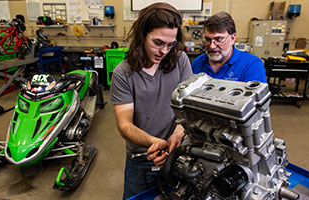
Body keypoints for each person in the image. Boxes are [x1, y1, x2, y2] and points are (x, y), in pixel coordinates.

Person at [110, 3, 193, 199]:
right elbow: (124, 125)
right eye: (157, 42)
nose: (164, 50)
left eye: (170, 44)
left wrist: (179, 132)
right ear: (142, 35)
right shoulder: (123, 74)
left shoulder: (180, 60)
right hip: (141, 159)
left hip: (177, 153)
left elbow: (189, 106)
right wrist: (156, 143)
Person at [191, 12, 267, 83]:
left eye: (219, 39)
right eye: (208, 40)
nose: (212, 46)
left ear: (232, 39)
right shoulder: (198, 63)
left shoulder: (251, 65)